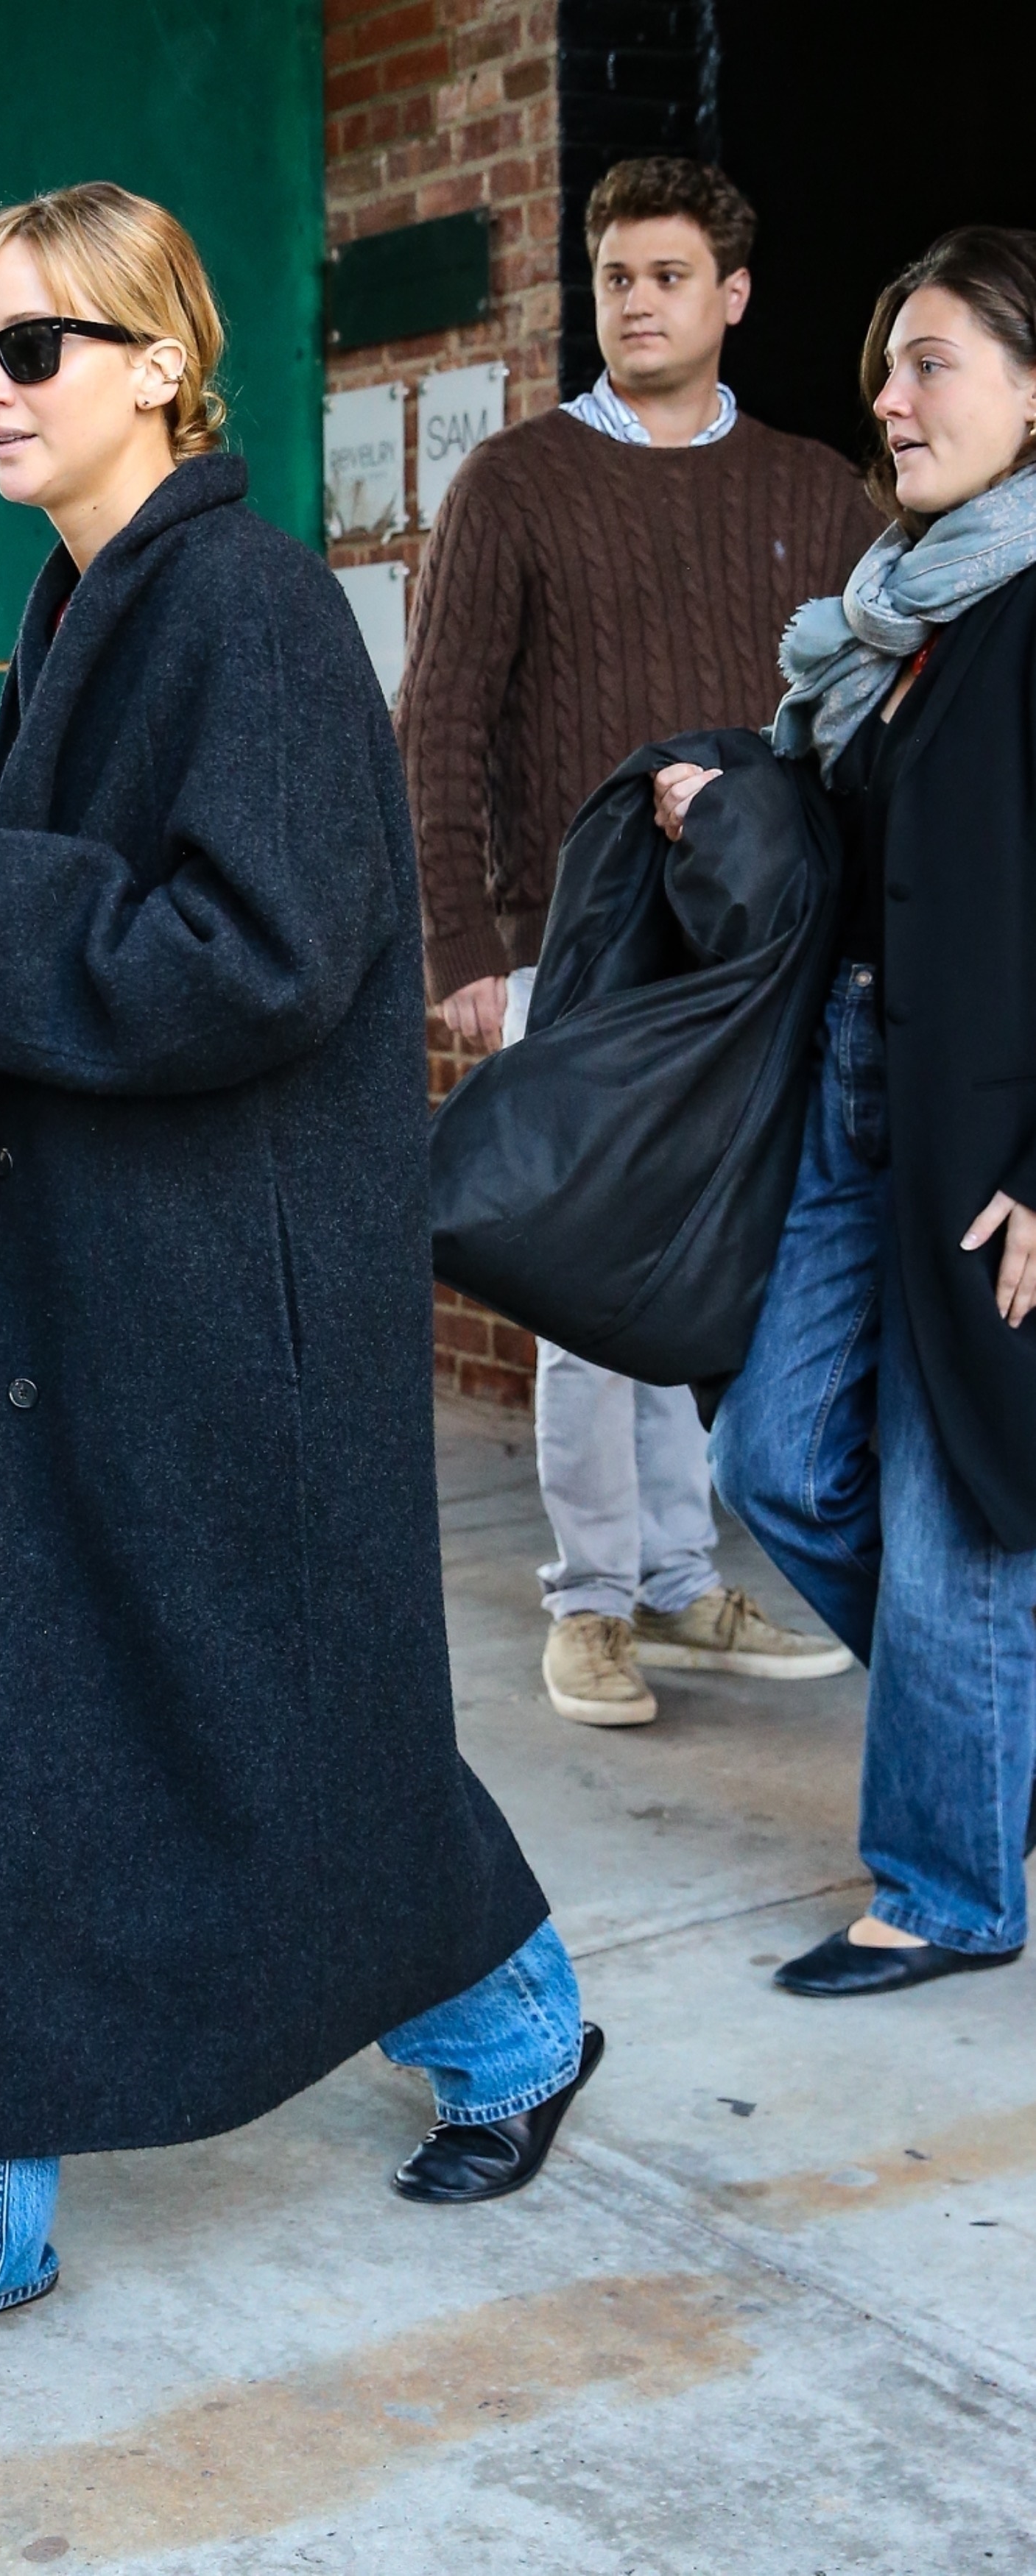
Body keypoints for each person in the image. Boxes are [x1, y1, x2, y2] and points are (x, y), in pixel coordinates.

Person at [0, 183, 600, 2394]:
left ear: (161, 358)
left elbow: (259, 955)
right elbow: (153, 949)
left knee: (277, 1729)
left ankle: (512, 2026)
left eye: (30, 347)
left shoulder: (241, 606)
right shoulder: (90, 600)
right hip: (80, 1288)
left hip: (206, 1305)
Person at [399, 157, 872, 1729]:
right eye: (613, 277)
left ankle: (678, 1583)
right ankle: (590, 1601)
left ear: (730, 297)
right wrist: (458, 941)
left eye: (668, 276)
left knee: (710, 1264)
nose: (637, 303)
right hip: (578, 947)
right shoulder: (517, 483)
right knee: (584, 1281)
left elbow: (875, 710)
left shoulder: (814, 490)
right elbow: (440, 721)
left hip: (751, 962)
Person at [662, 228, 1036, 1997]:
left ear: (1035, 397)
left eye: (935, 361)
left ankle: (947, 1879)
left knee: (949, 1487)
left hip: (991, 1116)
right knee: (771, 1451)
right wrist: (731, 789)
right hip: (853, 1088)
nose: (887, 396)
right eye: (883, 362)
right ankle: (994, 1747)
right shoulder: (895, 615)